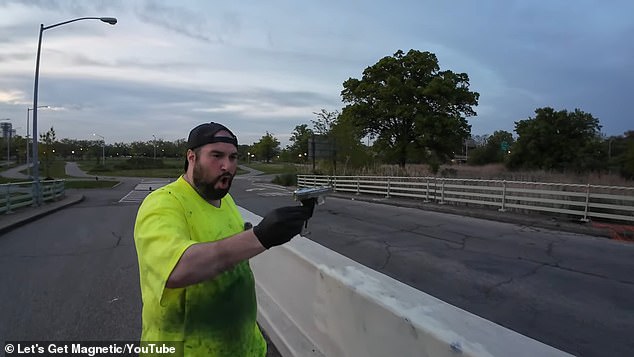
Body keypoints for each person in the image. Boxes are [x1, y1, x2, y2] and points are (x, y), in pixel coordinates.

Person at [133, 122, 312, 356]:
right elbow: (177, 269)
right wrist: (261, 236)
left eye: (233, 157)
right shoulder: (163, 203)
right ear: (191, 157)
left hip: (246, 347)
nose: (227, 166)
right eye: (216, 155)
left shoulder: (225, 200)